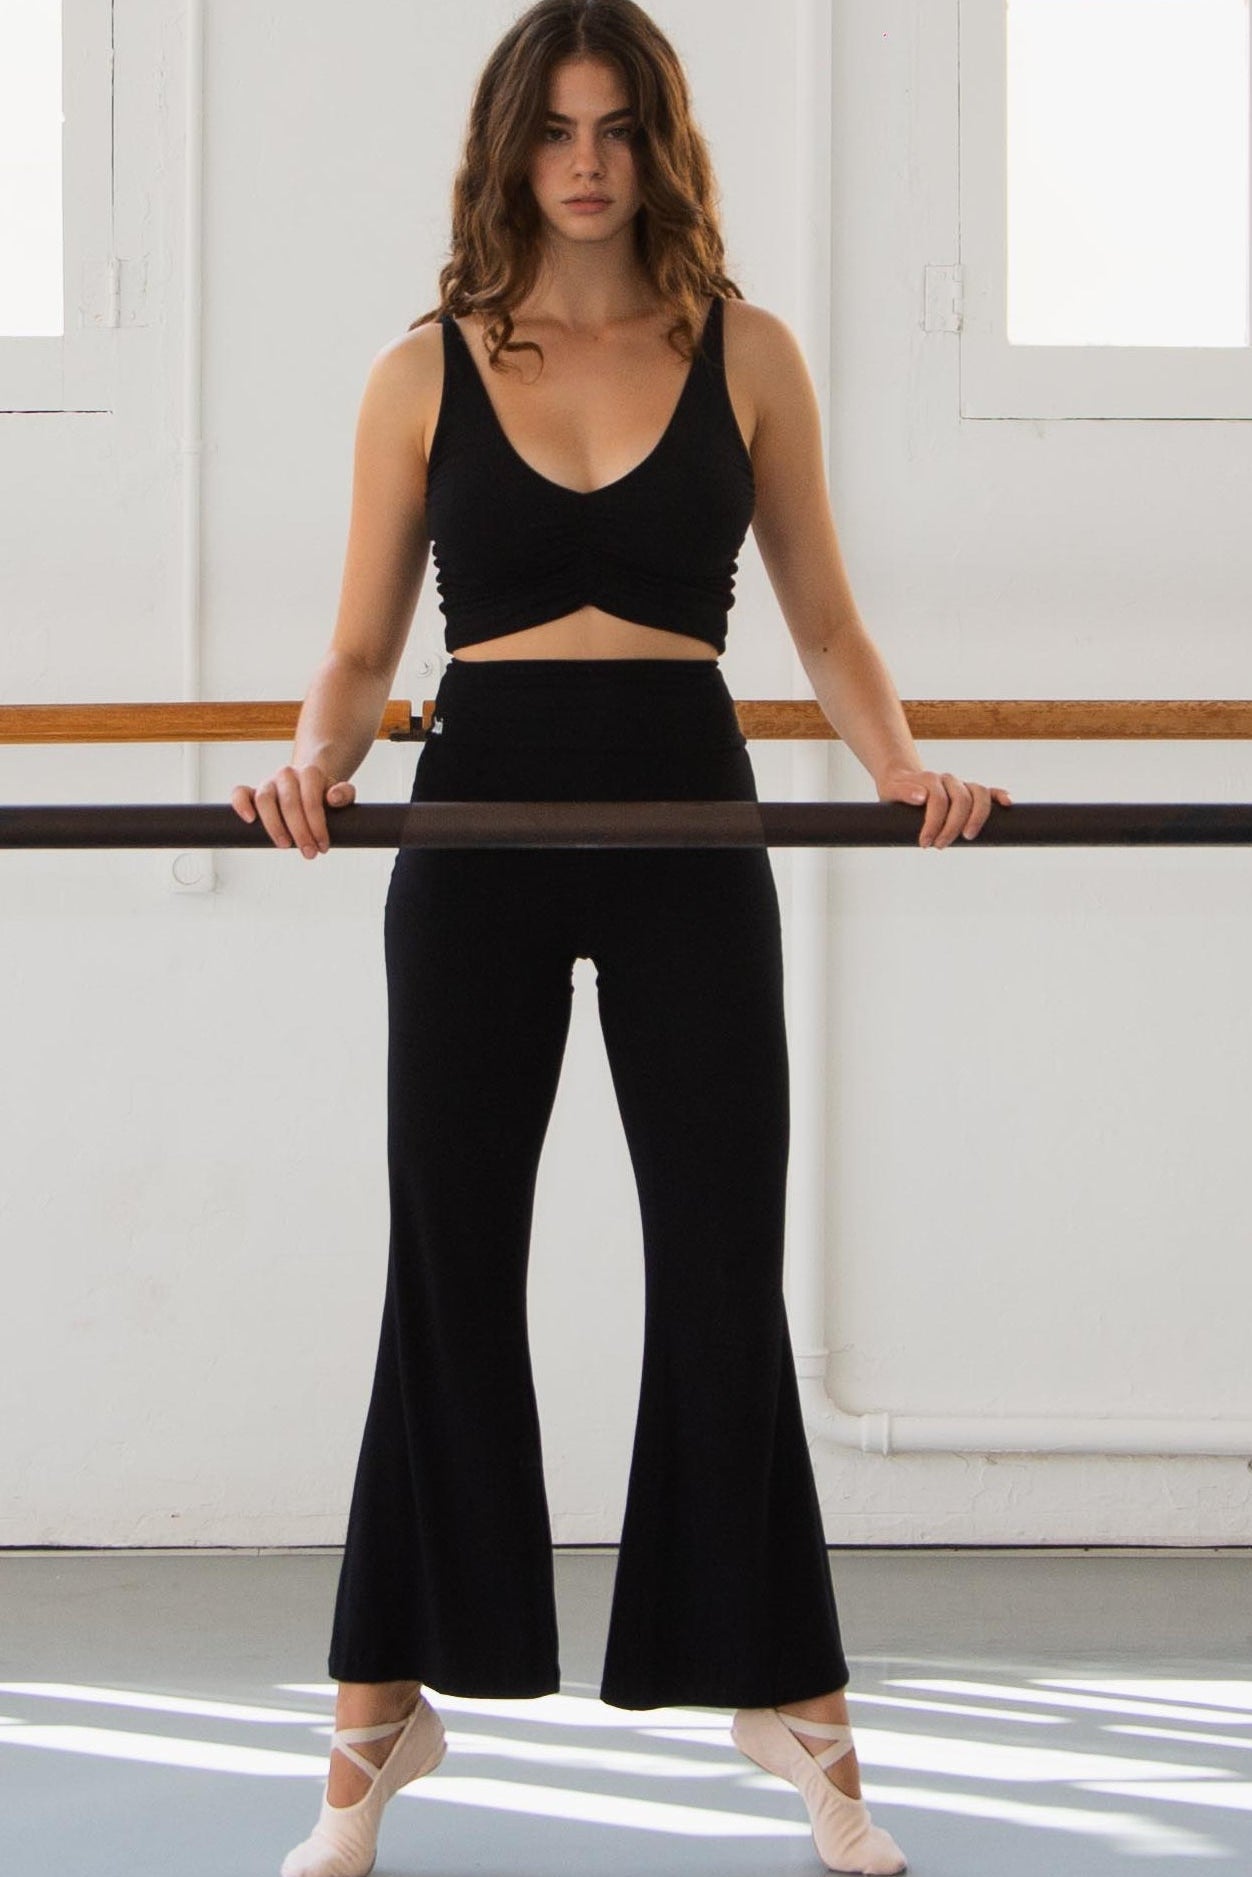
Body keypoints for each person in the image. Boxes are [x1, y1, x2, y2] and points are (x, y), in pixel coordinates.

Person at [232, 4, 1012, 1873]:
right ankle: (378, 1716)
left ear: (662, 144)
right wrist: (305, 764)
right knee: (450, 1257)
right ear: (509, 150)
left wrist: (906, 765)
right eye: (555, 129)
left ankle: (785, 1693)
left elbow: (823, 619)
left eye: (618, 126)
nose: (586, 159)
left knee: (723, 1251)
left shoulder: (750, 355)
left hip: (689, 814)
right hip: (480, 819)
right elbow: (358, 650)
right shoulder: (421, 371)